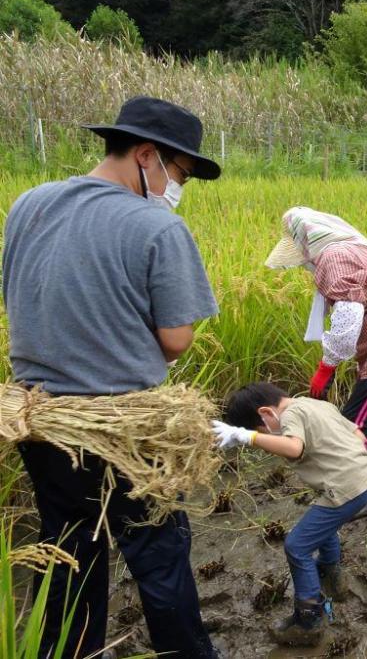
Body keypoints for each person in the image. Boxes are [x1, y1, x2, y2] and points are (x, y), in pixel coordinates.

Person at [1, 96, 222, 658]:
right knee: (159, 556)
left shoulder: (28, 204)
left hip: (43, 420)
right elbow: (176, 340)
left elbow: (20, 298)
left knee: (69, 552)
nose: (178, 189)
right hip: (128, 428)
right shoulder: (154, 226)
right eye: (180, 174)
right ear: (146, 155)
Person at [265, 207, 367, 512]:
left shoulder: (333, 256)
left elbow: (348, 313)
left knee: (357, 426)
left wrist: (326, 367)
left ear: (306, 243)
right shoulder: (353, 249)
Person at [213, 383, 367, 647]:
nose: (264, 440)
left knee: (297, 546)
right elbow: (359, 435)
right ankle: (333, 578)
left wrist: (249, 437)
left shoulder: (290, 415)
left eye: (260, 430)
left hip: (345, 488)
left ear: (267, 414)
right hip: (366, 480)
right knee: (321, 523)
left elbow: (294, 448)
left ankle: (309, 621)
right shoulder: (317, 404)